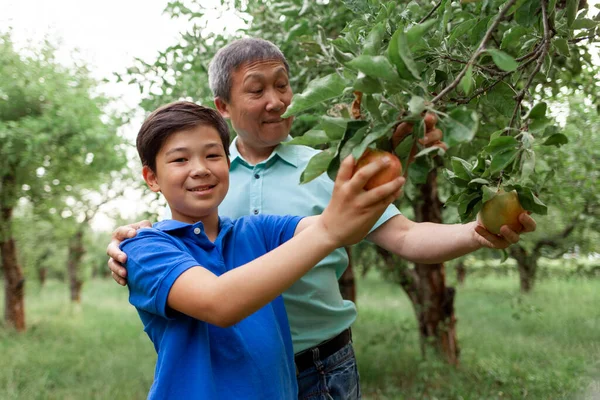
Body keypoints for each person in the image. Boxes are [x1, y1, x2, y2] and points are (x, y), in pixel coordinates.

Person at [108, 38, 536, 399]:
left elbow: (393, 233)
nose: (275, 101)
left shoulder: (327, 169)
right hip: (225, 367)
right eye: (256, 91)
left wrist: (472, 230)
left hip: (321, 363)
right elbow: (201, 270)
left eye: (283, 85)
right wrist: (139, 238)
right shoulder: (203, 188)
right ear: (224, 105)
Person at [122, 100, 403, 399]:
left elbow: (348, 223)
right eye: (180, 160)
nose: (200, 169)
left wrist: (387, 153)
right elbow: (218, 303)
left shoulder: (257, 231)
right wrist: (329, 230)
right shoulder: (145, 248)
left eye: (213, 155)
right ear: (152, 178)